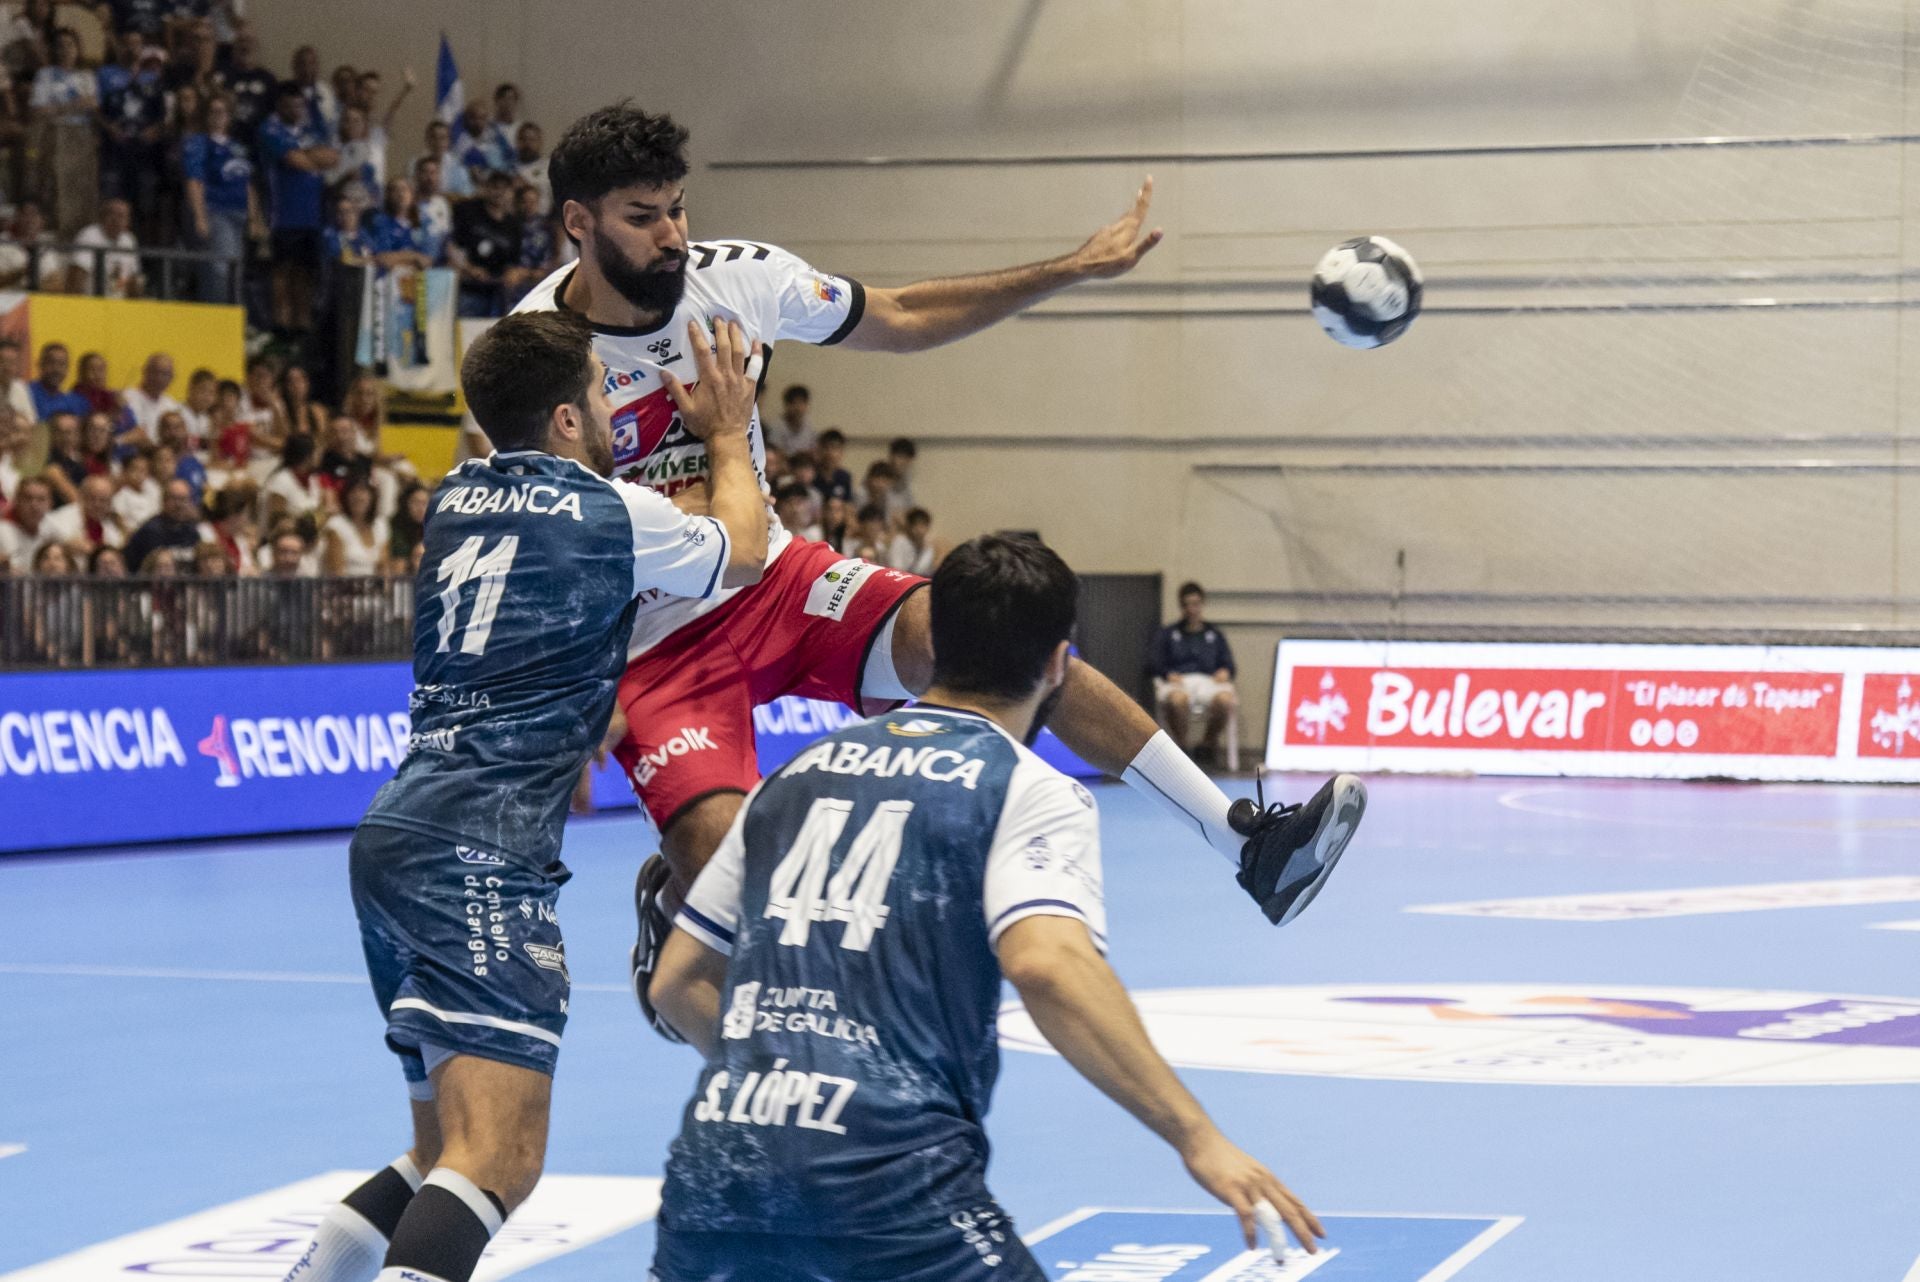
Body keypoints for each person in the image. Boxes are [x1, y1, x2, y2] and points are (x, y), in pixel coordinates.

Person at [514, 103, 1364, 1045]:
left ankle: (1244, 842)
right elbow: (546, 544)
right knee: (733, 877)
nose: (673, 235)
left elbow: (907, 315)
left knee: (1000, 640)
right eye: (643, 217)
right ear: (579, 223)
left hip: (780, 587)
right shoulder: (534, 356)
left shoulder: (738, 280)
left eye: (678, 208)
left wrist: (1067, 270)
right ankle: (679, 907)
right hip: (655, 646)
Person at [648, 535, 1326, 1280]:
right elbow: (1047, 964)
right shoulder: (1026, 789)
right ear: (1058, 664)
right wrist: (1198, 1137)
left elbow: (676, 983)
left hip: (714, 1178)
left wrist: (777, 1085)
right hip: (887, 1188)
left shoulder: (795, 776)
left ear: (932, 640)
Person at [277, 309, 769, 1282]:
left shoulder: (455, 494)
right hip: (482, 853)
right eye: (601, 389)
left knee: (435, 1155)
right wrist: (723, 434)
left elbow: (537, 638)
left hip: (396, 835)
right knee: (499, 1158)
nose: (614, 406)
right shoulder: (611, 514)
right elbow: (744, 549)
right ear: (569, 418)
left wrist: (592, 717)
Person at [260, 79, 339, 334]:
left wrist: (310, 156)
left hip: (312, 216)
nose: (295, 110)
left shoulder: (312, 130)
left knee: (306, 271)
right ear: (280, 106)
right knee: (283, 270)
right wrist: (312, 158)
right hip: (283, 215)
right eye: (289, 106)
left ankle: (302, 322)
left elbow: (333, 157)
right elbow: (297, 161)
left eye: (299, 105)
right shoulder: (270, 130)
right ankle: (281, 321)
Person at [181, 91, 259, 303]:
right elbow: (194, 180)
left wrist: (254, 217)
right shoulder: (198, 142)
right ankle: (215, 317)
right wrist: (199, 215)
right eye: (213, 112)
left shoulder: (238, 146)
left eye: (222, 112)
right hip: (216, 211)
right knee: (219, 270)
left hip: (238, 212)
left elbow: (247, 182)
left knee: (235, 271)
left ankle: (231, 317)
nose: (218, 116)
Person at [1151, 581, 1239, 766]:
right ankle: (1183, 748)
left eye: (1196, 604)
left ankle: (1206, 744)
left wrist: (1225, 671)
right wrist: (1168, 674)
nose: (1192, 609)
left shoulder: (1214, 634)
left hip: (1208, 682)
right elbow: (1154, 664)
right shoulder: (1168, 634)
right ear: (1182, 606)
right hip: (1179, 682)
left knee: (1225, 700)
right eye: (1187, 605)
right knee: (1177, 701)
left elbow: (1229, 665)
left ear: (1202, 604)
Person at [449, 169, 518, 317]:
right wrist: (469, 268)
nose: (499, 192)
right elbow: (453, 247)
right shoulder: (469, 212)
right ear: (486, 188)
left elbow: (514, 261)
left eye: (504, 188)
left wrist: (510, 274)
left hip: (498, 293)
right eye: (495, 187)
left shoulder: (514, 224)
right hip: (469, 289)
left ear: (510, 192)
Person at [0, 474, 54, 571]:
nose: (34, 505)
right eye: (28, 498)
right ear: (16, 501)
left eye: (41, 499)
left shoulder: (50, 529)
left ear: (50, 504)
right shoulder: (2, 530)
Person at [765, 382, 814, 456]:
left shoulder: (808, 426)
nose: (798, 408)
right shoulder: (776, 426)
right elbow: (776, 453)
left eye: (801, 403)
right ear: (786, 405)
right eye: (794, 403)